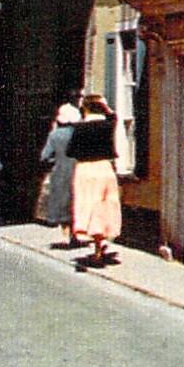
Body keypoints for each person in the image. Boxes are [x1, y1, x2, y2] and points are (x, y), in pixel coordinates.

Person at [67, 93, 122, 268]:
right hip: (104, 168)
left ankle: (96, 249)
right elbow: (113, 116)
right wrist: (106, 107)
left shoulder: (78, 128)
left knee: (87, 206)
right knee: (104, 207)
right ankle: (99, 245)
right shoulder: (107, 125)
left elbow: (71, 152)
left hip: (85, 169)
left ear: (86, 108)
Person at [39, 98, 82, 244]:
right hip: (79, 170)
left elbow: (44, 156)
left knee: (63, 202)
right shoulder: (79, 133)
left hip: (61, 171)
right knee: (76, 201)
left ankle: (66, 235)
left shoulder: (55, 135)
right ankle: (76, 233)